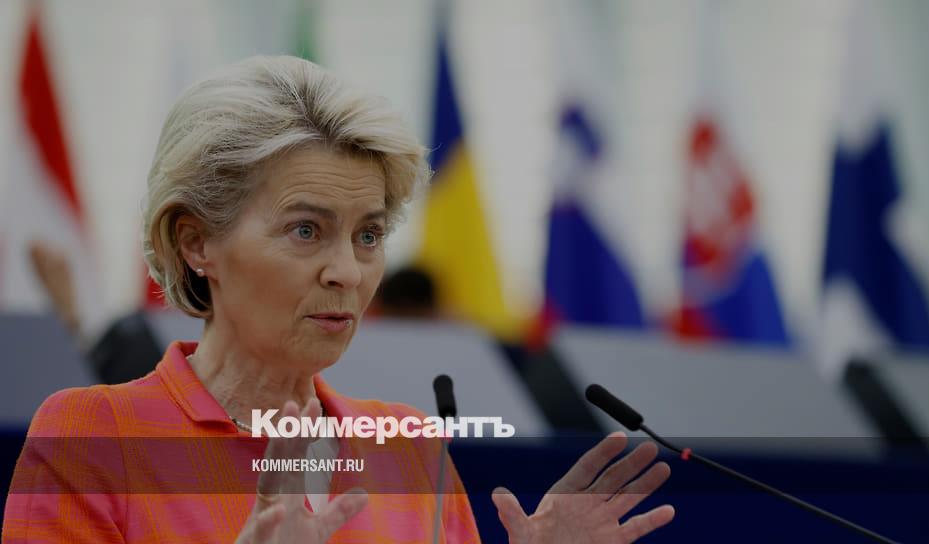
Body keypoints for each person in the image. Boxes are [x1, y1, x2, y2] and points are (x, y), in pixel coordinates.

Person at [3, 55, 674, 543]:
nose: (348, 272)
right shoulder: (93, 435)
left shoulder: (410, 450)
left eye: (369, 235)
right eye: (306, 230)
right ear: (196, 242)